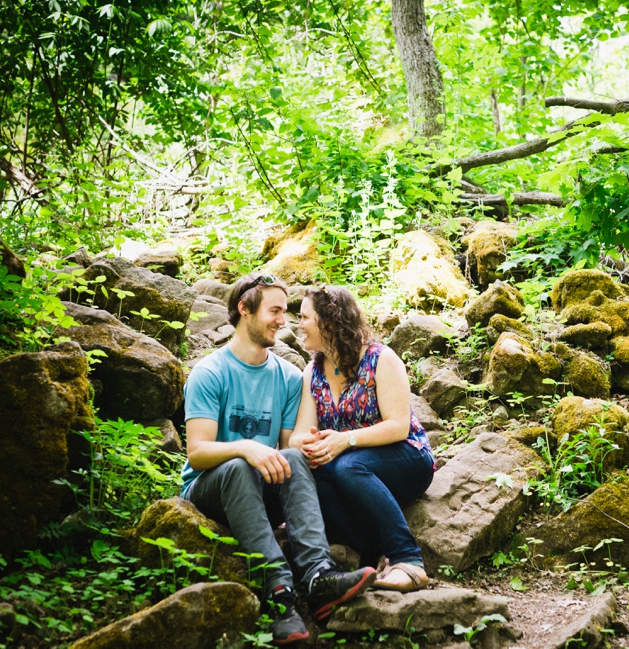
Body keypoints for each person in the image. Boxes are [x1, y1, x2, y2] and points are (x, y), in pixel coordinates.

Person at [180, 273, 377, 644]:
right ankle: (279, 592)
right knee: (239, 465)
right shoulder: (210, 372)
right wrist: (246, 447)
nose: (282, 321)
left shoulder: (288, 378)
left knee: (295, 458)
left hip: (259, 494)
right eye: (274, 311)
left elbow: (288, 454)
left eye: (285, 312)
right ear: (244, 309)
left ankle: (319, 576)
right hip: (209, 492)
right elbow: (198, 452)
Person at [292, 285, 437, 592]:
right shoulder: (312, 372)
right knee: (311, 476)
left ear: (328, 322)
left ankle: (409, 561)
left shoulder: (380, 359)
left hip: (405, 455)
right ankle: (372, 555)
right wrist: (310, 446)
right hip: (350, 467)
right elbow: (297, 437)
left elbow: (398, 426)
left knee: (349, 467)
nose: (298, 324)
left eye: (304, 317)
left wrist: (345, 440)